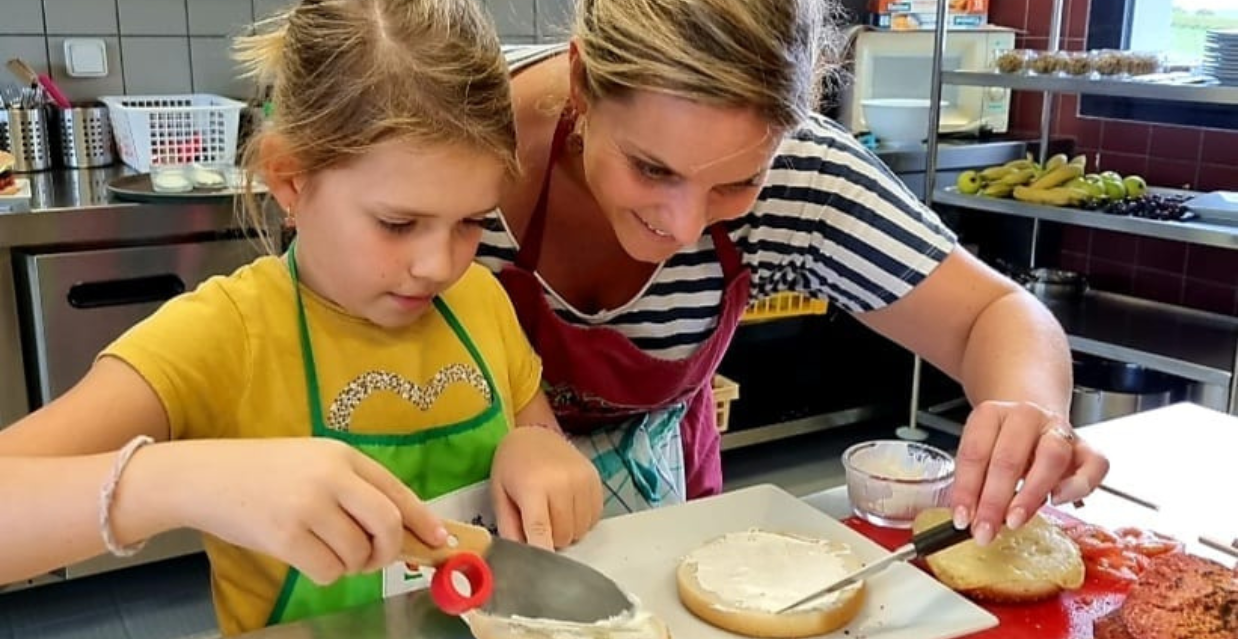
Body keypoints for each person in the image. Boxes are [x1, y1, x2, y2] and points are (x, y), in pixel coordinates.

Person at [0, 0, 602, 634]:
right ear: (289, 179)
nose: (437, 264)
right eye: (397, 223)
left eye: (472, 221)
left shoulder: (480, 301)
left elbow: (536, 428)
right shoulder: (227, 333)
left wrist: (537, 448)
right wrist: (176, 481)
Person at [477, 0, 1109, 546]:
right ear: (584, 83)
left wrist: (1030, 409)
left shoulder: (802, 174)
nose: (686, 227)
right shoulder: (452, 139)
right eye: (651, 169)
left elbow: (992, 314)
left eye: (736, 183)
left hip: (653, 517)